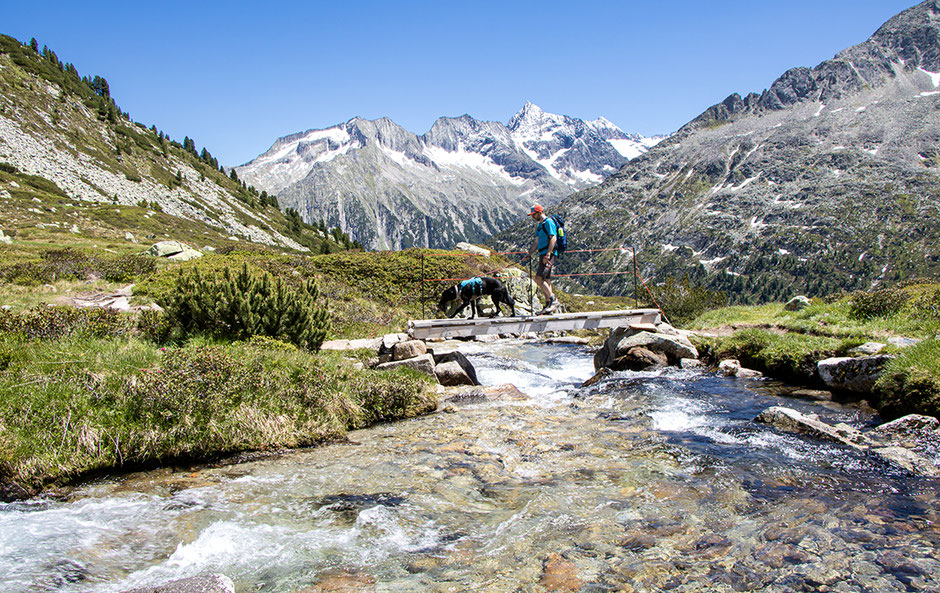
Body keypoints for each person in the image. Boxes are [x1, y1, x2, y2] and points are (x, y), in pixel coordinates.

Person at [527, 204, 560, 314]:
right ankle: (548, 307)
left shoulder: (548, 222)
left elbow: (553, 238)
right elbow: (536, 242)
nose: (532, 217)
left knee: (538, 279)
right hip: (543, 254)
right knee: (546, 280)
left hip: (548, 254)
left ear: (539, 213)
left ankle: (553, 300)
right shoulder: (540, 226)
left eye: (533, 215)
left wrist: (548, 254)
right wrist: (529, 254)